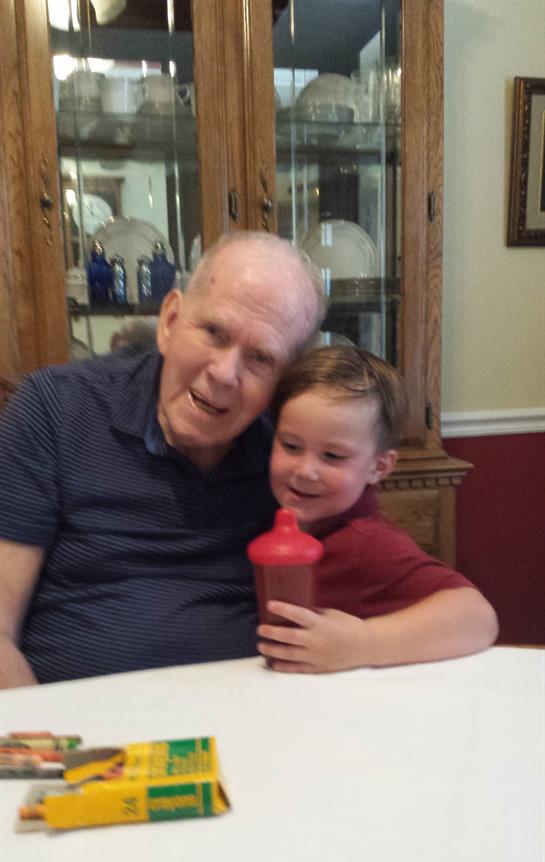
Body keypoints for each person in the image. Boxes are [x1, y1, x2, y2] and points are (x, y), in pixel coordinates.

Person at [0, 231, 326, 688]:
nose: (224, 373)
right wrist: (43, 750)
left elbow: (424, 593)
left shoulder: (297, 454)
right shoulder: (54, 408)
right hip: (83, 736)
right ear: (170, 320)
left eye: (261, 358)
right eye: (213, 332)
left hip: (255, 722)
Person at [257, 345, 498, 673]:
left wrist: (364, 643)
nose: (305, 470)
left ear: (379, 466)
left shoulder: (366, 544)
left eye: (333, 456)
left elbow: (477, 616)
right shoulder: (287, 519)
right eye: (291, 446)